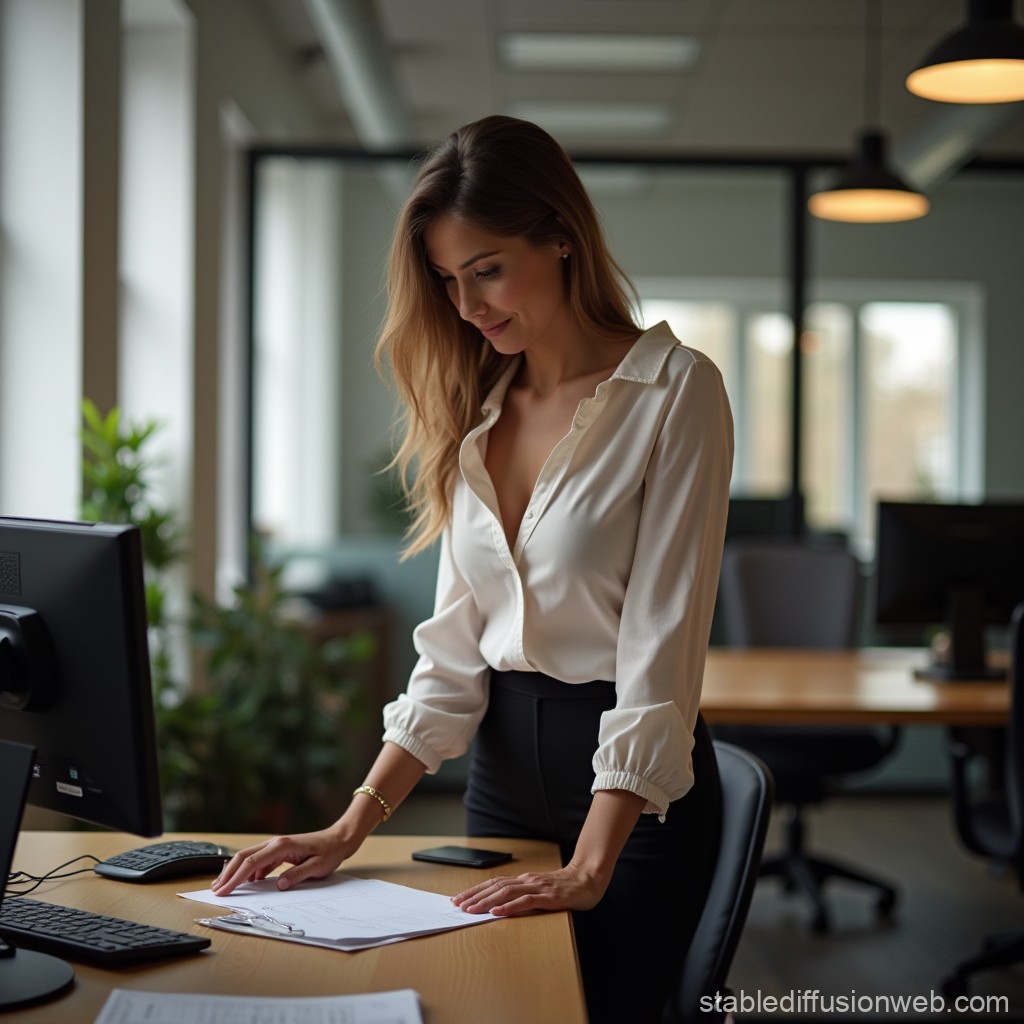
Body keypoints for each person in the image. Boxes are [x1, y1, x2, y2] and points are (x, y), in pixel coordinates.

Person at [213, 114, 734, 1024]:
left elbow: (662, 650)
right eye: (449, 282)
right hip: (499, 767)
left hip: (629, 788)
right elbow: (452, 660)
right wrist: (351, 825)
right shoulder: (478, 408)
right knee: (494, 1007)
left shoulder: (675, 391)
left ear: (561, 239)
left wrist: (589, 865)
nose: (467, 306)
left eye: (486, 269)